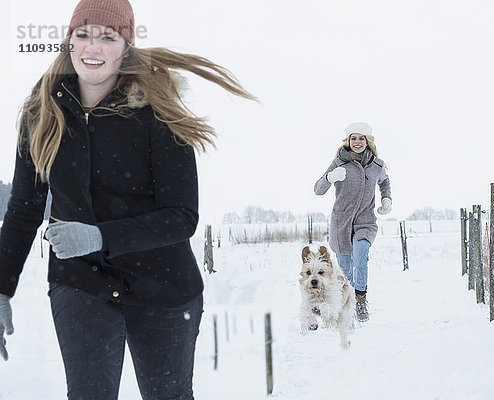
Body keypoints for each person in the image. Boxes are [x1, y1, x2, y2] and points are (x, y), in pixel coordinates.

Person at [0, 0, 255, 398]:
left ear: (126, 45)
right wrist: (1, 287)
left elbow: (181, 217)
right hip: (80, 281)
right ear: (69, 41)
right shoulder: (42, 114)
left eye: (108, 37)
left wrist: (100, 236)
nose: (92, 47)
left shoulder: (159, 113)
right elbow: (23, 210)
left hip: (163, 283)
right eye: (82, 35)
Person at [314, 122, 392, 322]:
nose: (357, 142)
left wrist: (386, 199)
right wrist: (331, 177)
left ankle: (360, 300)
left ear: (368, 141)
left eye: (361, 138)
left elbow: (384, 181)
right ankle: (344, 301)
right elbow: (318, 189)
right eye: (354, 138)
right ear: (348, 141)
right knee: (345, 268)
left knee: (361, 256)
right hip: (341, 222)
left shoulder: (376, 165)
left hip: (365, 221)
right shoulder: (339, 163)